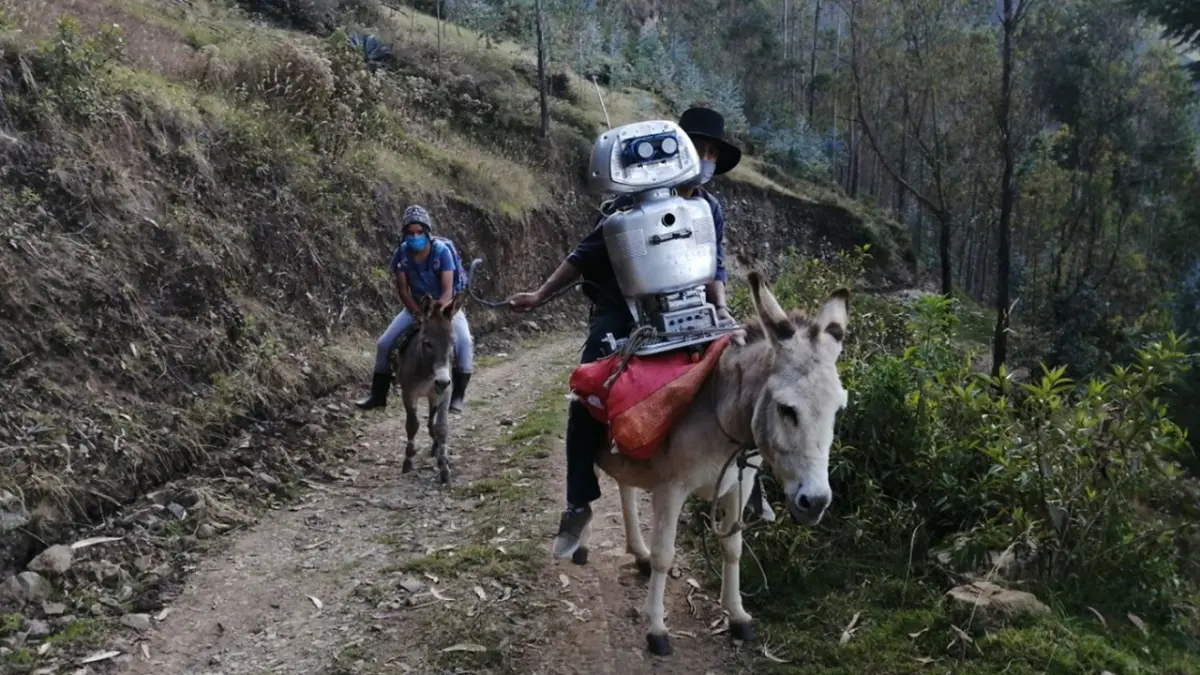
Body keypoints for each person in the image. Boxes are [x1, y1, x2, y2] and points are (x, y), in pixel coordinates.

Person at [507, 106, 767, 558]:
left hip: (692, 308)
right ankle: (578, 503)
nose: (705, 159)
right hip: (620, 313)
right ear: (680, 151)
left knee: (746, 373)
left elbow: (715, 263)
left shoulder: (709, 208)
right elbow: (584, 256)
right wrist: (539, 295)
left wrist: (722, 310)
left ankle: (749, 477)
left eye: (711, 153)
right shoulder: (626, 208)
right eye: (699, 149)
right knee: (587, 395)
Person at [356, 205, 474, 413]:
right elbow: (403, 289)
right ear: (405, 234)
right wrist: (418, 313)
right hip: (417, 308)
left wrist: (437, 313)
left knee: (464, 341)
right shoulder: (402, 253)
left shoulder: (442, 252)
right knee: (384, 344)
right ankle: (378, 395)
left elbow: (448, 290)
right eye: (410, 233)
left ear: (427, 232)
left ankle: (457, 397)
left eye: (419, 232)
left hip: (445, 309)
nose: (415, 237)